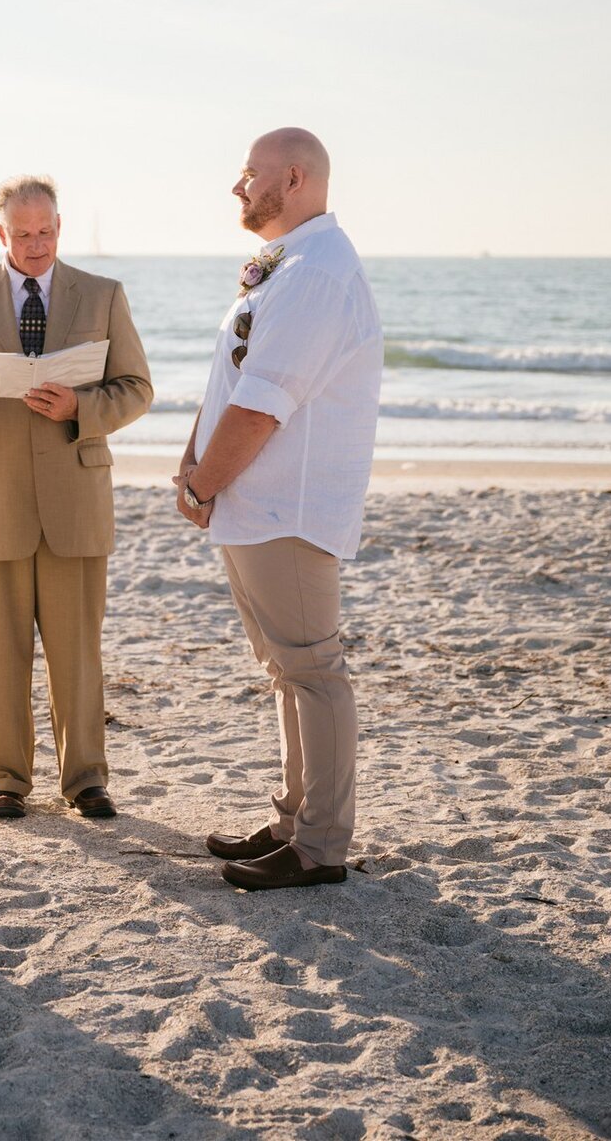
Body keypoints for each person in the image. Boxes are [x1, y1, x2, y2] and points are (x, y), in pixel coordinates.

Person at [175, 128, 382, 891]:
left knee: (314, 671)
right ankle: (294, 819)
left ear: (292, 178)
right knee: (285, 671)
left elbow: (264, 406)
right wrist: (193, 463)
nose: (237, 186)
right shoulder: (289, 266)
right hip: (253, 501)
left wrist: (204, 482)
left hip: (287, 505)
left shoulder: (318, 274)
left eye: (249, 173)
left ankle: (320, 848)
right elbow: (236, 377)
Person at [0, 175, 152, 821]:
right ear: (2, 234)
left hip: (75, 500)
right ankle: (4, 781)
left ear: (61, 226)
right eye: (23, 234)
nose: (36, 245)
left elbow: (137, 388)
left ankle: (87, 779)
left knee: (78, 651)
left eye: (47, 232)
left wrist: (81, 405)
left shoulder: (104, 295)